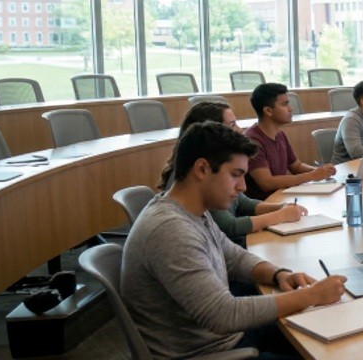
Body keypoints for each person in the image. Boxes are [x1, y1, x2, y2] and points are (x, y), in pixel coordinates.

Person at [125, 121, 347, 360]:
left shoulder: (193, 211)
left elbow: (232, 256)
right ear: (202, 169)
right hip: (213, 351)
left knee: (337, 337)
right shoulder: (170, 229)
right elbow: (222, 314)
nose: (242, 187)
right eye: (235, 175)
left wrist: (278, 274)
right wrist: (310, 295)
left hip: (230, 338)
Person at [156, 101, 308, 247]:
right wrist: (280, 216)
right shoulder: (204, 178)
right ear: (212, 132)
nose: (240, 130)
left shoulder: (217, 168)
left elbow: (243, 203)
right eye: (232, 125)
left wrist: (280, 207)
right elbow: (229, 226)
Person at [245, 83, 337, 199]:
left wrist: (322, 171)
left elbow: (296, 167)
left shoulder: (279, 134)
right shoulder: (252, 141)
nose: (291, 109)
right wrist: (312, 176)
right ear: (268, 111)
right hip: (264, 206)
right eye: (285, 104)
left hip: (282, 198)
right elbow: (267, 183)